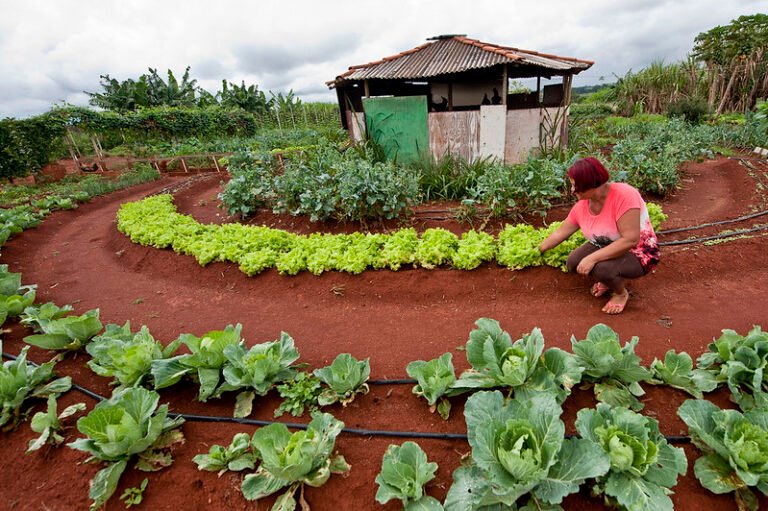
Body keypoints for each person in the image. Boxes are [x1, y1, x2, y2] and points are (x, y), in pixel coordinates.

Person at [538, 157, 660, 314]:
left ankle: (620, 294)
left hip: (638, 251)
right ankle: (609, 280)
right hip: (606, 245)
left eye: (576, 186)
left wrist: (592, 258)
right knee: (573, 262)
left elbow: (631, 239)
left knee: (601, 269)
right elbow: (560, 232)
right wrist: (538, 250)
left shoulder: (624, 195)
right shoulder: (582, 206)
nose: (572, 190)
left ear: (590, 184)